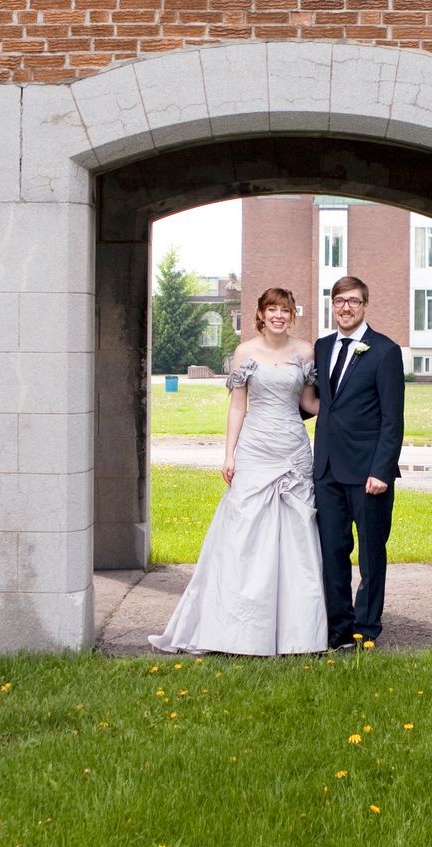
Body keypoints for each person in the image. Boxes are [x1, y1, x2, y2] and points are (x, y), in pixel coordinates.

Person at [150, 288, 328, 655]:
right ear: (260, 314)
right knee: (244, 535)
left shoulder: (306, 351)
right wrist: (229, 454)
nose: (279, 315)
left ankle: (298, 634)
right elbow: (237, 408)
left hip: (293, 449)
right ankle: (237, 631)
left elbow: (308, 402)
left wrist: (346, 410)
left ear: (292, 315)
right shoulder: (245, 352)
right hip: (255, 449)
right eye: (272, 309)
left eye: (285, 309)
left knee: (297, 536)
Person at [312, 276, 405, 650]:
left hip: (369, 473)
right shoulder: (321, 347)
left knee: (370, 554)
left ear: (365, 305)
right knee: (332, 551)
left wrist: (381, 470)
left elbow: (392, 419)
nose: (345, 308)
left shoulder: (384, 351)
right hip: (328, 471)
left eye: (352, 301)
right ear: (332, 306)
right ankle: (339, 628)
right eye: (338, 301)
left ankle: (366, 628)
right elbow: (321, 403)